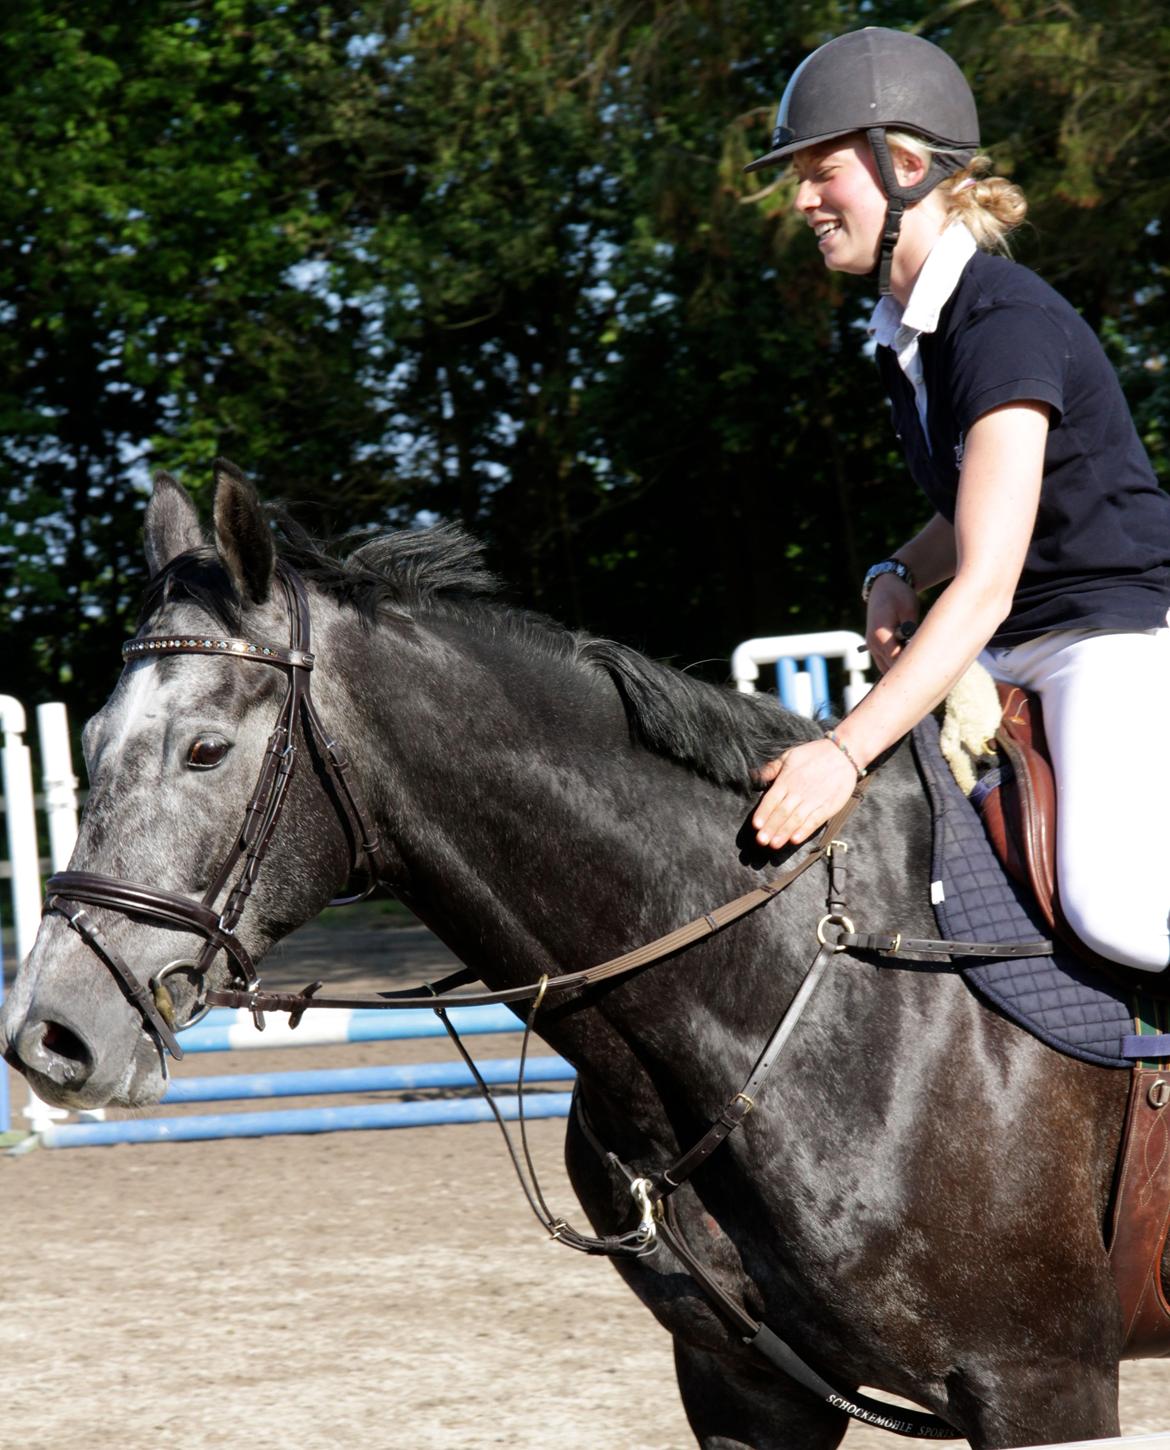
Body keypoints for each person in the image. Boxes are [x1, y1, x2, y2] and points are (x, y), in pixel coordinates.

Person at [744, 26, 1170, 971]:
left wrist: (842, 751)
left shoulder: (1002, 320)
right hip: (1021, 646)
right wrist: (897, 569)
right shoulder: (911, 331)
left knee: (1115, 915)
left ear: (905, 166)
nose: (802, 199)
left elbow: (984, 583)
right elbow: (980, 507)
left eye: (822, 172)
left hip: (1112, 637)